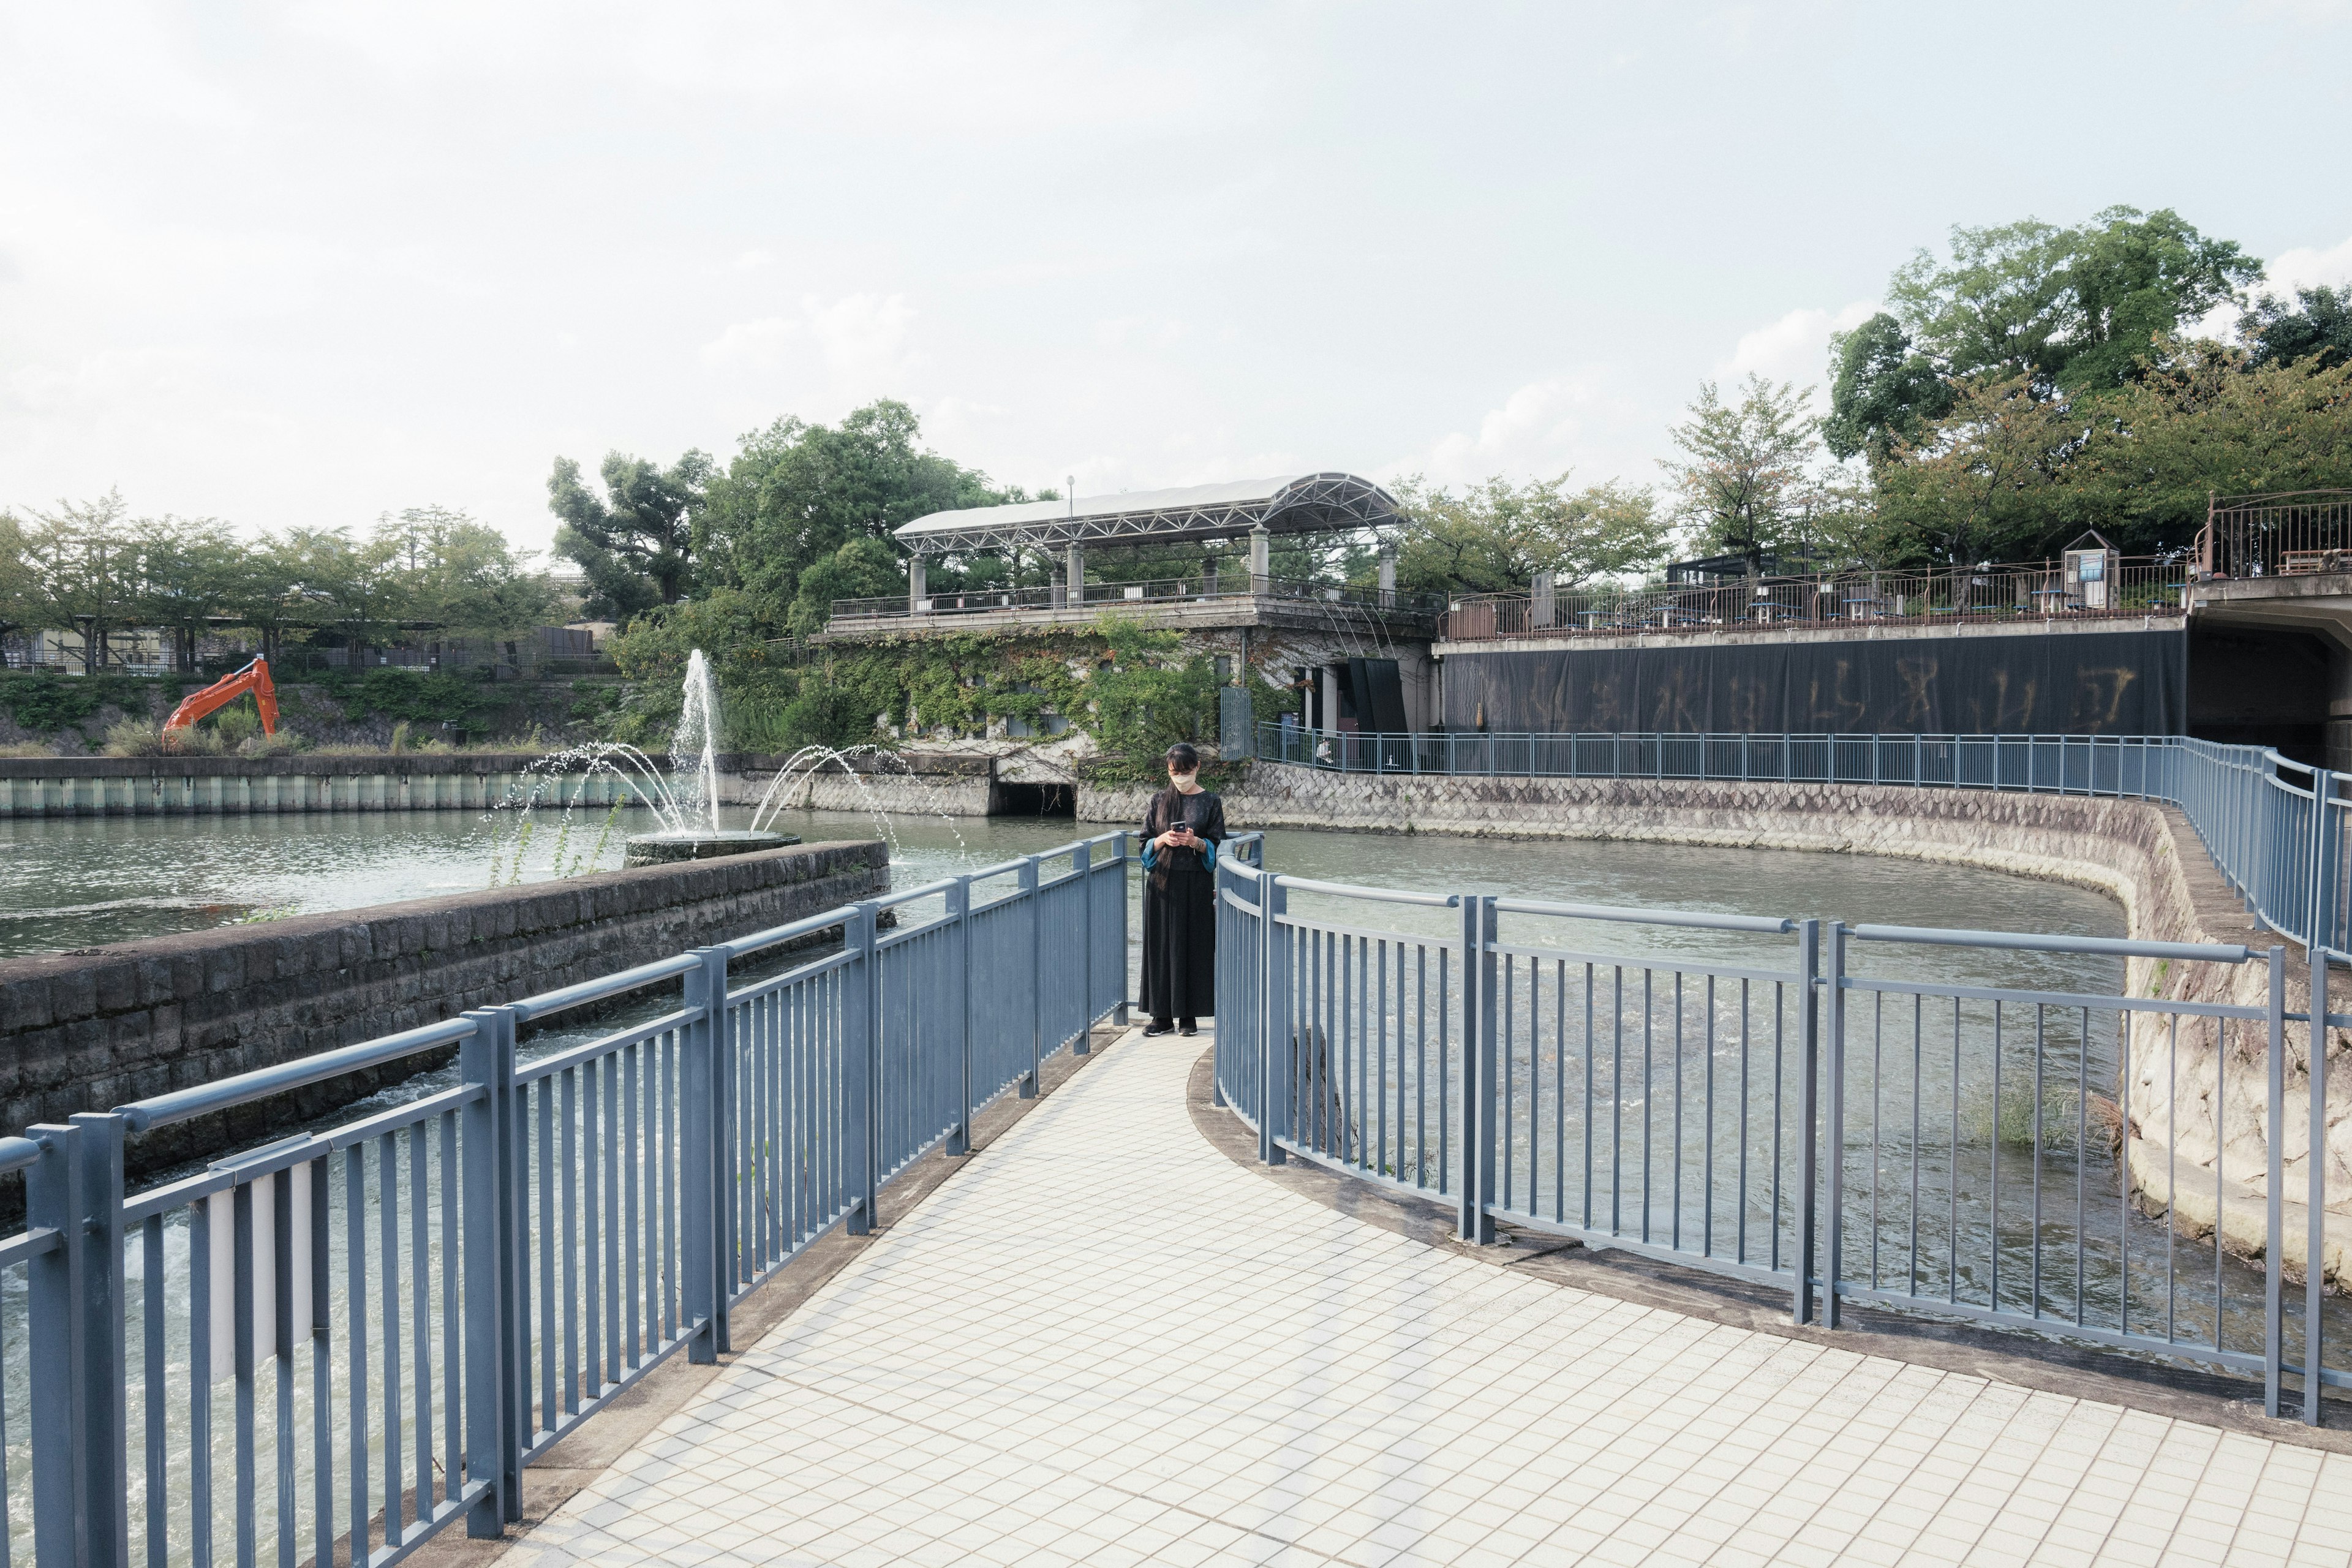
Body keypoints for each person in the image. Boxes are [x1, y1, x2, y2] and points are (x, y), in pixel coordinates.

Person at [1140, 741, 1226, 1038]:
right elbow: (1144, 845)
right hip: (1163, 883)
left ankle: (1189, 1016)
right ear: (1168, 770)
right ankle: (1161, 1015)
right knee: (1161, 947)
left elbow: (1218, 846)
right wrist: (1163, 839)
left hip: (1196, 884)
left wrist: (1196, 842)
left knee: (1194, 948)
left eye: (1186, 771)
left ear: (1197, 768)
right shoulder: (1159, 801)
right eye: (1175, 772)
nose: (1180, 777)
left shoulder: (1211, 801)